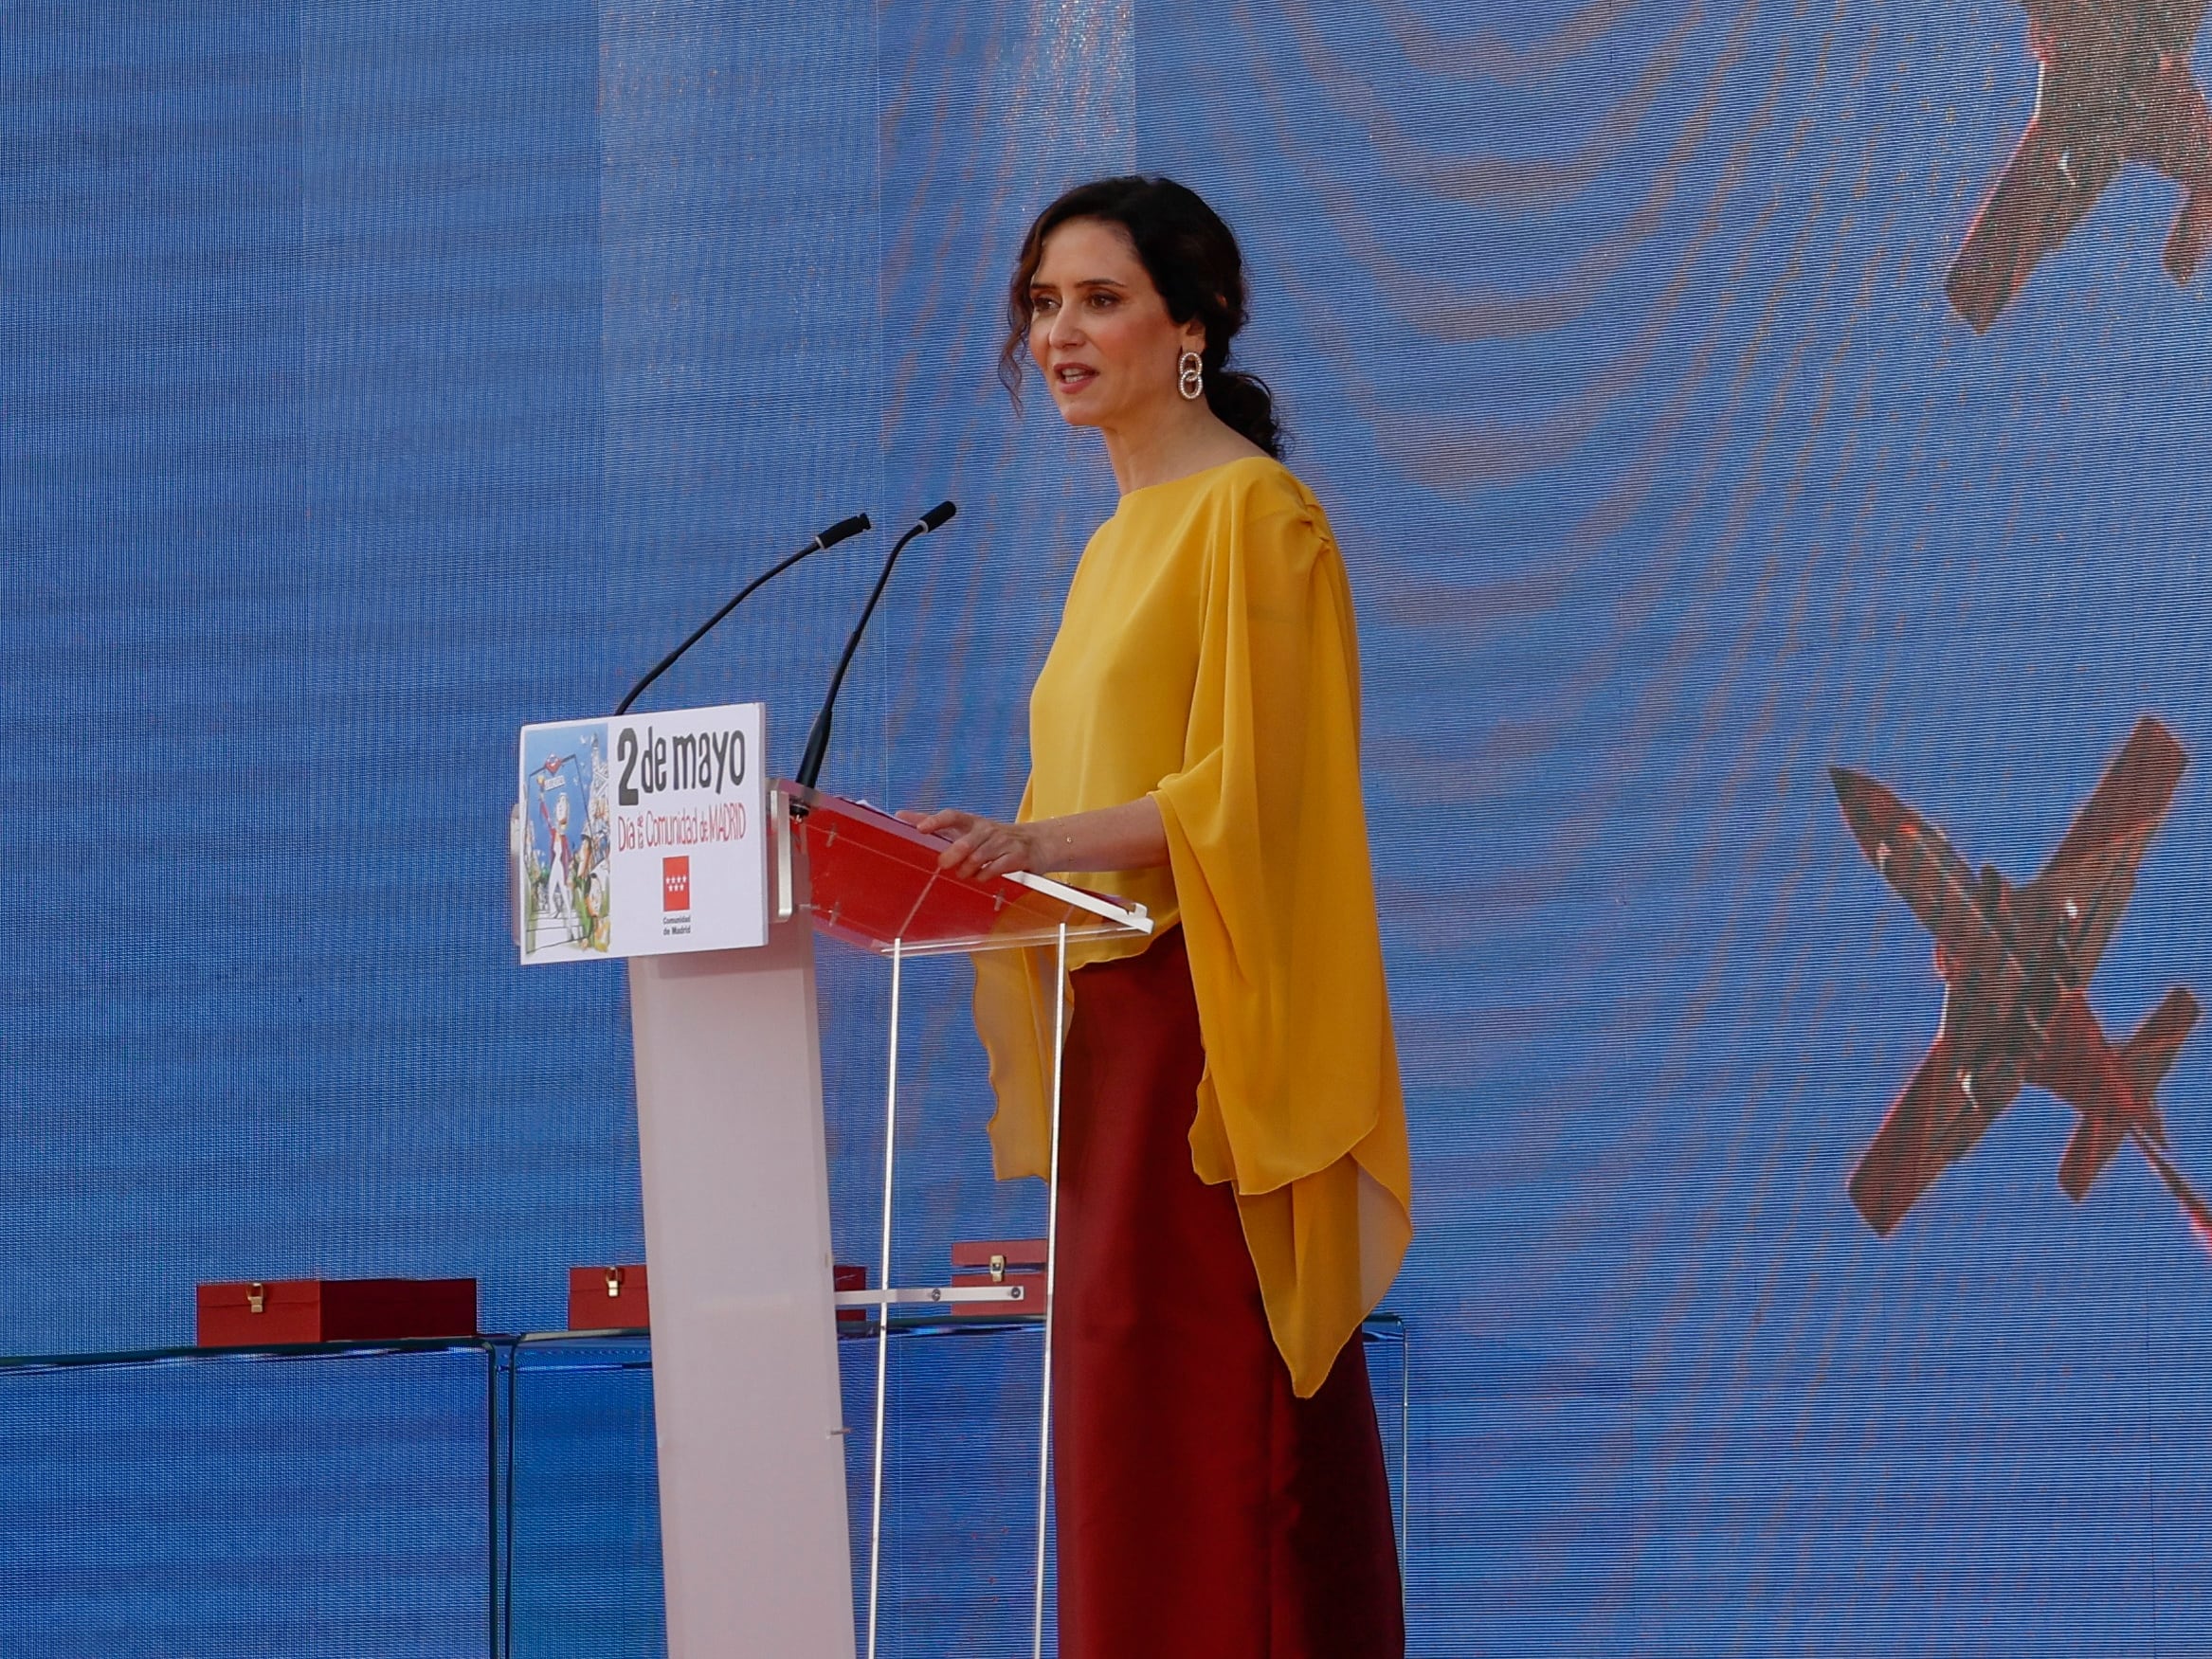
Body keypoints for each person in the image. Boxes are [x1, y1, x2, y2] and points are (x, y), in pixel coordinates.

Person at [906, 175, 1413, 1659]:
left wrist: (1034, 838)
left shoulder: (1259, 518)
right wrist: (987, 853)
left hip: (1203, 1038)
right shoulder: (1108, 544)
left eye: (1098, 299)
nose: (1060, 332)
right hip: (1106, 1036)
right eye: (1043, 303)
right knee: (1125, 1432)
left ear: (1187, 328)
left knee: (1212, 1437)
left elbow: (1253, 800)